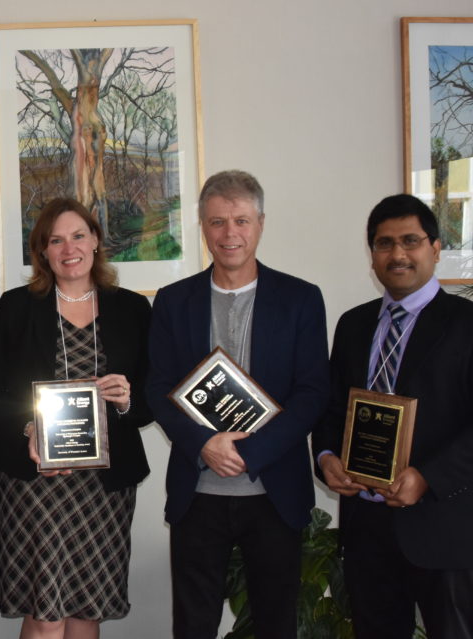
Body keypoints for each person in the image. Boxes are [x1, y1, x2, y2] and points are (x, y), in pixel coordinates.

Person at [145, 170, 329, 639]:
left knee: (275, 622)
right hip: (198, 492)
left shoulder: (302, 299)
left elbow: (312, 393)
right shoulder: (172, 301)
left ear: (261, 223)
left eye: (241, 221)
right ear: (202, 227)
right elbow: (158, 388)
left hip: (274, 492)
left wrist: (252, 452)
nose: (230, 234)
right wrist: (204, 444)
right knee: (193, 623)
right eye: (218, 222)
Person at [0, 197, 152, 639]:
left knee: (86, 609)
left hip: (104, 487)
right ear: (42, 251)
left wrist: (128, 401)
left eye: (78, 235)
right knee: (45, 614)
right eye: (55, 240)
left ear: (96, 240)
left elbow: (156, 396)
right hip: (34, 480)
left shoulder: (133, 309)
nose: (68, 247)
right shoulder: (16, 307)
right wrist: (26, 429)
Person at [312, 194, 473, 639]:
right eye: (384, 243)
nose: (397, 254)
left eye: (411, 241)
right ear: (372, 253)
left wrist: (428, 476)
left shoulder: (466, 323)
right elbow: (331, 408)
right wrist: (326, 457)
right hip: (367, 531)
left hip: (442, 528)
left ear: (436, 248)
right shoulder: (353, 325)